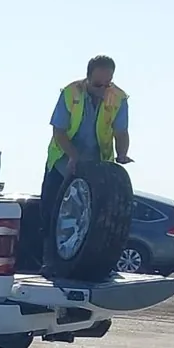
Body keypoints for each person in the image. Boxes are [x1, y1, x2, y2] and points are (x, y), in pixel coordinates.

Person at [39, 55, 132, 255]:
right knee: (50, 211)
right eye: (98, 84)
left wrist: (122, 154)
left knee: (94, 215)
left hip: (97, 165)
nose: (103, 89)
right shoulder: (70, 92)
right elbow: (59, 132)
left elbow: (121, 132)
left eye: (107, 84)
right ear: (87, 78)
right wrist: (74, 156)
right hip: (63, 160)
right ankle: (48, 258)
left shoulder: (118, 98)